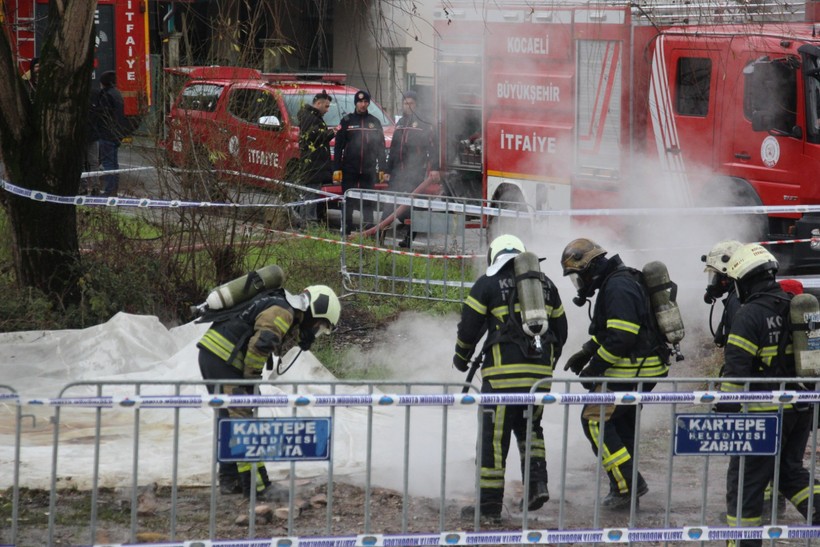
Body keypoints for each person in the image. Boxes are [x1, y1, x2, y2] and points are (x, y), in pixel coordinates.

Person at [452, 234, 568, 522]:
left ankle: (489, 507)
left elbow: (469, 328)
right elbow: (561, 331)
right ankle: (537, 485)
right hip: (539, 377)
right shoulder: (547, 286)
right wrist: (547, 365)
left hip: (501, 378)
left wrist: (461, 357)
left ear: (494, 256)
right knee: (532, 429)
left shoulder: (487, 284)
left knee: (493, 439)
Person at [197, 284, 341, 499]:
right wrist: (252, 382)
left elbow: (269, 337)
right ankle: (257, 486)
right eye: (319, 326)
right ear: (315, 311)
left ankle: (230, 478)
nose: (315, 331)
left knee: (230, 418)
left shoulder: (283, 307)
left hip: (217, 356)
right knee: (242, 421)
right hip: (224, 359)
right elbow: (260, 346)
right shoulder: (283, 311)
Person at [718, 243, 820, 545]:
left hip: (762, 415)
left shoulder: (750, 315)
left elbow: (737, 370)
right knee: (789, 473)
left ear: (744, 280)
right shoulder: (794, 305)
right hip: (800, 409)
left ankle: (743, 542)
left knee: (744, 487)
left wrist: (725, 407)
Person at [560, 238, 669, 510]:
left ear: (591, 267)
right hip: (642, 370)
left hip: (629, 372)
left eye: (578, 277)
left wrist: (593, 369)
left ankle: (626, 486)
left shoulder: (618, 286)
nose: (580, 284)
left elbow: (622, 336)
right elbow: (613, 331)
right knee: (621, 426)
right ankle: (624, 490)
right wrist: (587, 351)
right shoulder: (619, 280)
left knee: (595, 422)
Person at [383, 91, 439, 248]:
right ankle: (379, 235)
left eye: (411, 103)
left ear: (416, 105)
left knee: (413, 206)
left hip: (414, 172)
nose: (407, 106)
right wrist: (387, 170)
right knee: (389, 204)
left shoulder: (425, 123)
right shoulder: (400, 122)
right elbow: (394, 148)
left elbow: (433, 148)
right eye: (405, 103)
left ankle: (409, 238)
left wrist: (434, 168)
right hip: (396, 172)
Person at [333, 90, 387, 235]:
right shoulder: (347, 121)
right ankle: (346, 228)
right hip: (350, 168)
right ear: (355, 103)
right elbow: (338, 147)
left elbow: (381, 147)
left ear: (368, 103)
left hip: (368, 169)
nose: (363, 105)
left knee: (368, 201)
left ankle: (368, 230)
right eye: (360, 102)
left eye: (365, 102)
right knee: (348, 200)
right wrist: (336, 168)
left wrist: (382, 168)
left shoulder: (374, 122)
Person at [297, 91, 335, 226]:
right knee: (311, 194)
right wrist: (332, 133)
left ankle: (307, 221)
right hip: (313, 164)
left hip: (315, 163)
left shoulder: (313, 117)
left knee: (311, 193)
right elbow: (316, 137)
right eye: (326, 106)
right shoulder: (310, 118)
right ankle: (308, 222)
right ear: (318, 103)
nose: (327, 110)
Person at [702, 240, 743, 347]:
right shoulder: (741, 293)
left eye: (716, 275)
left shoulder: (737, 299)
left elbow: (738, 347)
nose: (714, 281)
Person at [96, 70, 127, 197]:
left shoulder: (106, 96)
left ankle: (109, 192)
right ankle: (113, 190)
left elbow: (102, 116)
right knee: (114, 163)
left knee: (108, 163)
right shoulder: (117, 94)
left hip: (106, 134)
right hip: (116, 134)